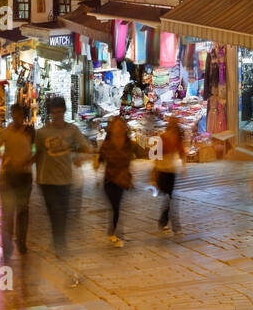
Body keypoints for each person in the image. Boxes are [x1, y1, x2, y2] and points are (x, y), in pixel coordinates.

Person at [33, 96, 93, 281]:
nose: (58, 115)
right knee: (55, 213)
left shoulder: (72, 130)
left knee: (63, 214)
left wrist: (78, 157)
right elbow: (37, 153)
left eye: (60, 112)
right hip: (47, 180)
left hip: (66, 180)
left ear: (64, 112)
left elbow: (86, 148)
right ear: (50, 113)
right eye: (55, 112)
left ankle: (58, 241)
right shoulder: (42, 133)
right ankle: (60, 245)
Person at [94, 115, 146, 247]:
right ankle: (115, 233)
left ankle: (114, 233)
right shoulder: (107, 144)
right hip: (109, 180)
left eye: (121, 125)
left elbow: (143, 152)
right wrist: (96, 164)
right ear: (112, 129)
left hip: (122, 180)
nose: (119, 128)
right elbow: (99, 160)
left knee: (116, 207)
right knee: (115, 206)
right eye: (116, 126)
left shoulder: (130, 143)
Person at [0, 102, 35, 259]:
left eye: (20, 115)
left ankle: (21, 242)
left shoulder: (30, 132)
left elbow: (36, 150)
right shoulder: (6, 132)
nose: (17, 118)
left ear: (24, 116)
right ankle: (7, 245)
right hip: (8, 176)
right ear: (12, 115)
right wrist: (5, 159)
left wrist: (29, 162)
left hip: (24, 176)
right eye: (15, 115)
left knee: (23, 210)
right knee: (8, 211)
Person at [154, 118, 188, 235]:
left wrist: (183, 167)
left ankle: (165, 223)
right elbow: (156, 155)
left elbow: (182, 152)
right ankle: (173, 226)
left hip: (171, 171)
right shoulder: (163, 137)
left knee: (170, 199)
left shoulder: (175, 138)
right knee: (170, 199)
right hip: (163, 171)